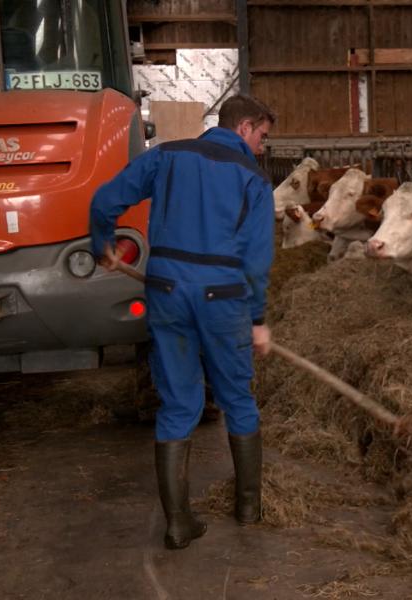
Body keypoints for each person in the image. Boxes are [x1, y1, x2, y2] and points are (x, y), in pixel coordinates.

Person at [89, 94, 276, 550]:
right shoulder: (252, 178)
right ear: (245, 127)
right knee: (237, 398)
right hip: (224, 300)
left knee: (176, 405)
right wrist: (258, 318)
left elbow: (104, 200)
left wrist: (103, 245)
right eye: (263, 137)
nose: (263, 147)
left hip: (167, 292)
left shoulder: (167, 155)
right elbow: (255, 261)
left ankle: (177, 522)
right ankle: (249, 508)